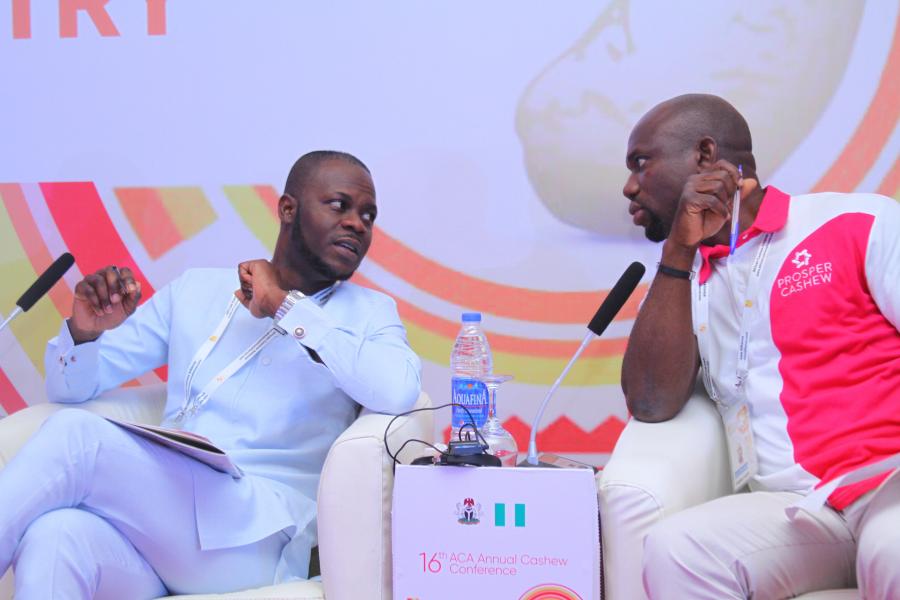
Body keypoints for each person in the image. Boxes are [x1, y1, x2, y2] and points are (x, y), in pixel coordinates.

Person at [0, 150, 422, 599]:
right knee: (56, 535)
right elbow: (69, 388)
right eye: (339, 205)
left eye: (368, 216)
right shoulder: (196, 289)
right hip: (163, 527)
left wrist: (285, 307)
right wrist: (85, 333)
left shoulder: (370, 314)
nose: (357, 224)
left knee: (76, 437)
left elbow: (397, 390)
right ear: (288, 209)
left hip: (256, 535)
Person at [620, 94, 900, 598]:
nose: (630, 186)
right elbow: (650, 403)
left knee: (892, 546)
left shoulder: (857, 221)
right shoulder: (680, 281)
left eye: (642, 162)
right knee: (676, 550)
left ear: (705, 156)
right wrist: (679, 250)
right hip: (798, 509)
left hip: (888, 484)